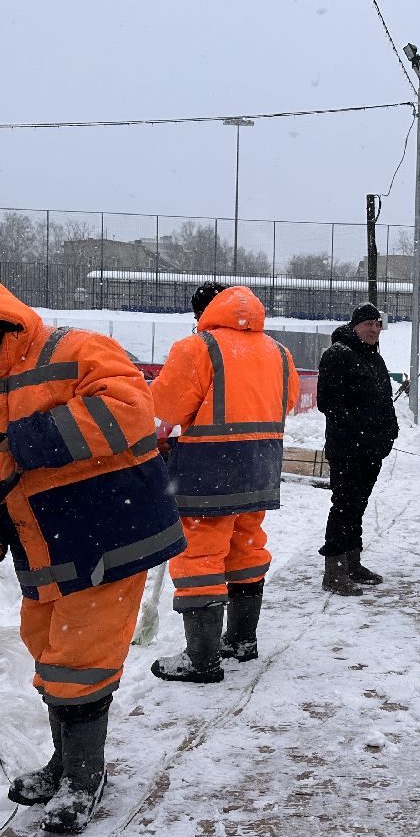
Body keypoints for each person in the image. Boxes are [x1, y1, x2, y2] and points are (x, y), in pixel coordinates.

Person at [0, 265, 186, 834]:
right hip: (43, 543)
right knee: (46, 649)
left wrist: (29, 440)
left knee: (80, 659)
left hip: (109, 530)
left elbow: (132, 412)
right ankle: (65, 761)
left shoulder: (75, 350)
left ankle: (84, 777)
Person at [149, 284, 299, 682]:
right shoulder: (279, 352)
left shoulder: (197, 347)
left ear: (206, 314)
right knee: (247, 544)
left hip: (208, 471)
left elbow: (166, 406)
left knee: (200, 555)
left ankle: (202, 659)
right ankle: (241, 641)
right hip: (260, 467)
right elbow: (287, 401)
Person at [316, 303, 400, 594]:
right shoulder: (337, 355)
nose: (374, 330)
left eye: (378, 325)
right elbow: (329, 403)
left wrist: (390, 432)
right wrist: (357, 432)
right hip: (348, 450)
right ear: (355, 326)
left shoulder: (374, 358)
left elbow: (384, 401)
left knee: (357, 507)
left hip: (371, 450)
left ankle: (353, 563)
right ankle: (335, 572)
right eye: (368, 325)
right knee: (344, 507)